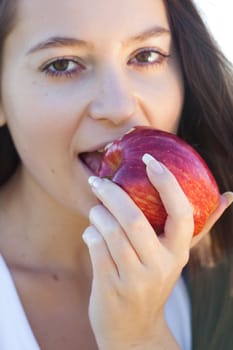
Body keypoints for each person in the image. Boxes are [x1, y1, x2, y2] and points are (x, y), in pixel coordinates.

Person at [0, 0, 232, 349]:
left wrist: (140, 337)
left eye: (146, 56)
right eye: (62, 64)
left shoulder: (220, 280)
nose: (119, 106)